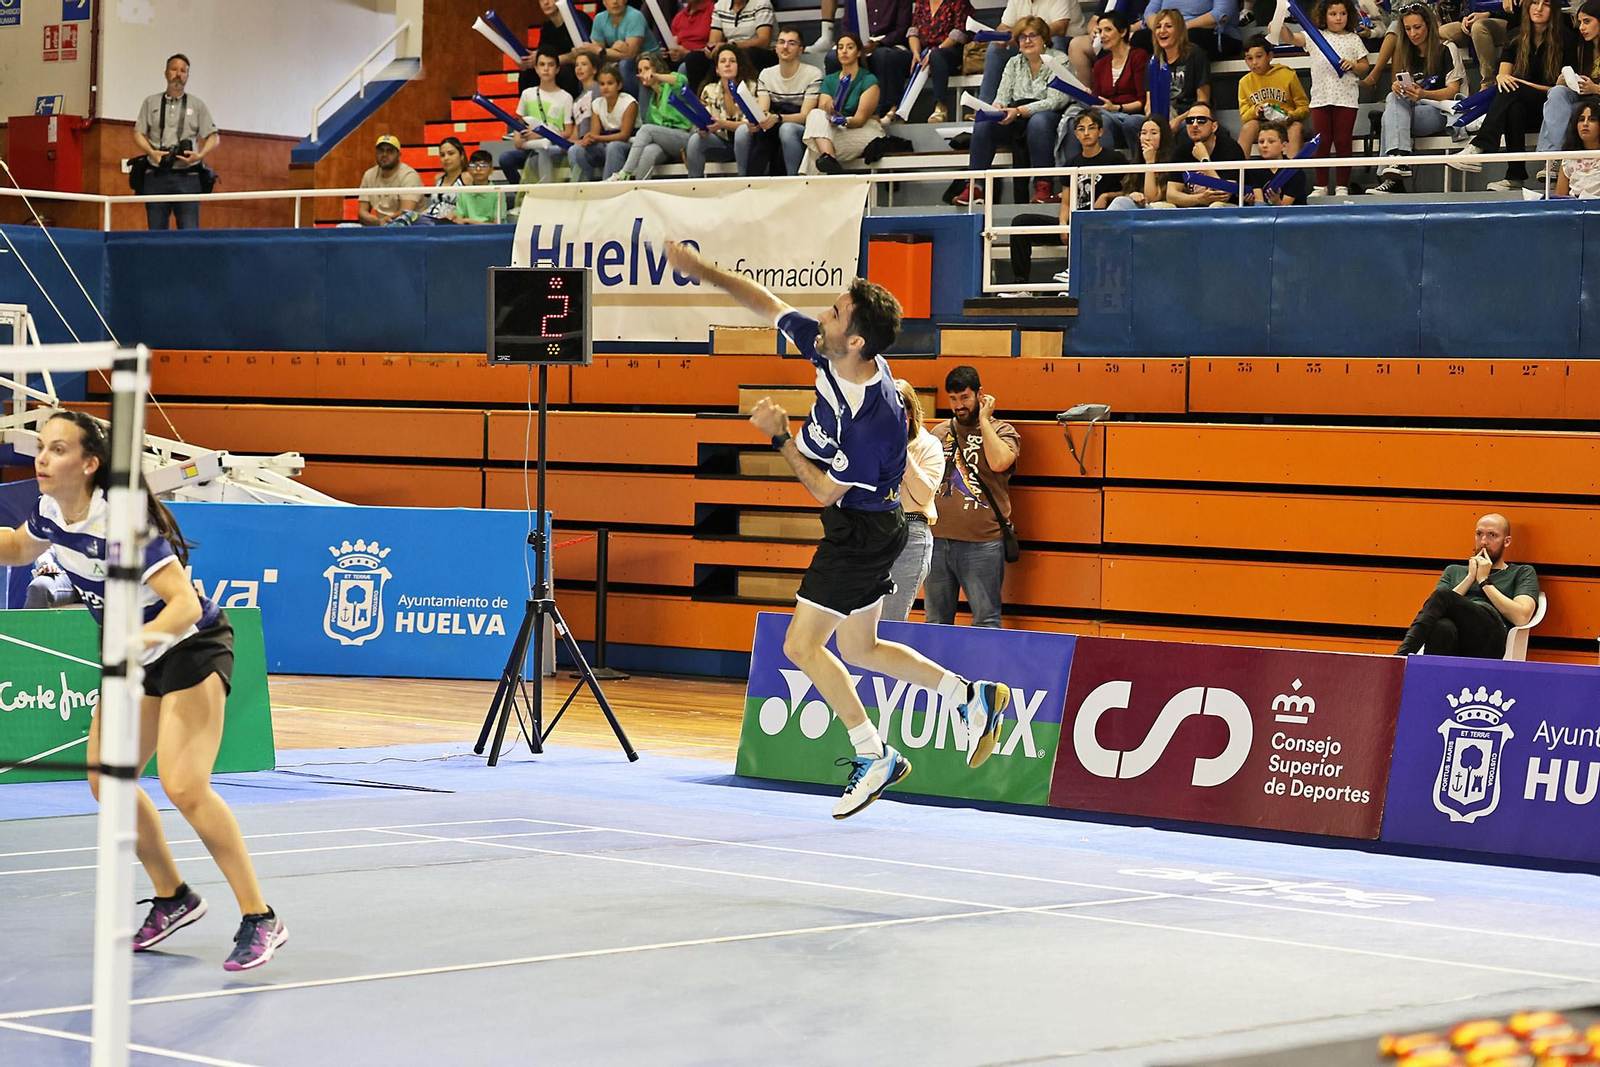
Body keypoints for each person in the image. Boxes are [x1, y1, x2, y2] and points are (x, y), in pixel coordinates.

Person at [662, 241, 1013, 818]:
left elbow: (824, 490)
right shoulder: (834, 352)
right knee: (860, 646)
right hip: (876, 528)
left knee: (802, 645)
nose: (820, 314)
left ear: (855, 339)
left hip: (861, 531)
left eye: (834, 311)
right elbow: (767, 303)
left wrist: (778, 436)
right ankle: (969, 696)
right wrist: (702, 271)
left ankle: (873, 752)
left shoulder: (871, 418)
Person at [0, 411, 285, 970]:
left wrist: (136, 642)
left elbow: (181, 603)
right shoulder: (52, 511)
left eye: (58, 449)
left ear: (89, 463)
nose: (42, 457)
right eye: (41, 447)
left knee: (184, 785)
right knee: (109, 782)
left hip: (187, 645)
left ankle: (261, 916)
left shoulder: (122, 523)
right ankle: (174, 896)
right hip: (129, 656)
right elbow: (14, 549)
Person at [925, 366, 1020, 629]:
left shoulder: (1002, 430)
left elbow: (1000, 462)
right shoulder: (939, 433)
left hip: (981, 543)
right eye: (953, 399)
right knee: (935, 621)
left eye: (965, 397)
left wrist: (985, 421)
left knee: (986, 619)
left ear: (980, 394)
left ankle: (985, 671)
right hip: (937, 541)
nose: (959, 406)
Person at [1449, 0, 1574, 188]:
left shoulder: (1567, 39)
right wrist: (1507, 80)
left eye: (1546, 4)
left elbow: (1561, 90)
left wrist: (1519, 83)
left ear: (1554, 10)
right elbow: (1502, 76)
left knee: (1513, 88)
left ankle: (1480, 146)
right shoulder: (1516, 36)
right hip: (1526, 108)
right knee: (1513, 106)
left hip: (1555, 110)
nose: (1538, 8)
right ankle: (1515, 176)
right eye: (1534, 3)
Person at [954, 17, 1071, 205]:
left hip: (1048, 119)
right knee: (984, 122)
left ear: (1044, 38)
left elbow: (1056, 101)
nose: (1027, 41)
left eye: (1033, 35)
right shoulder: (1014, 63)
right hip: (1015, 119)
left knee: (1038, 122)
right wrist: (997, 108)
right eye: (1022, 37)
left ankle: (1043, 188)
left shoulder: (1059, 59)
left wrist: (1019, 110)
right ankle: (975, 187)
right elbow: (1002, 96)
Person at [1395, 513, 1539, 657]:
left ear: (1506, 541)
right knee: (1442, 627)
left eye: (1492, 536)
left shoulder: (1521, 572)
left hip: (1492, 638)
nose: (1483, 542)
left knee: (1443, 595)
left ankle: (1400, 659)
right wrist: (1470, 577)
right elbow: (1434, 610)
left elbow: (1521, 617)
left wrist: (1484, 581)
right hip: (1456, 637)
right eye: (1479, 534)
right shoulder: (1454, 571)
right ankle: (1433, 677)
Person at [1014, 112, 1125, 287]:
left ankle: (1072, 284)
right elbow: (1066, 201)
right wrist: (1063, 224)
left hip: (1101, 223)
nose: (1086, 133)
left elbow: (1130, 192)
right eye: (1081, 129)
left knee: (1083, 228)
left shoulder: (1115, 159)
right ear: (1075, 134)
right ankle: (1019, 286)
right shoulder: (1072, 163)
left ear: (1101, 132)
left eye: (1091, 128)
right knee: (1021, 223)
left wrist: (1107, 196)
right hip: (1074, 222)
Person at [1369, 4, 1466, 194]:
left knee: (1389, 117)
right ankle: (1399, 163)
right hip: (1414, 109)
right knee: (1393, 98)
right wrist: (1400, 88)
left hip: (1443, 110)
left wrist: (1424, 94)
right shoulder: (1407, 52)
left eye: (1417, 27)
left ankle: (1395, 171)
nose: (1413, 33)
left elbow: (1452, 91)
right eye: (1408, 29)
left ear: (1428, 26)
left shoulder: (1446, 48)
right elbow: (1408, 92)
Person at [1277, 0, 1370, 195]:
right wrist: (1279, 23)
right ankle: (1321, 185)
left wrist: (1352, 64)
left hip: (1346, 99)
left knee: (1344, 141)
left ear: (1349, 15)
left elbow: (1364, 66)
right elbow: (1290, 38)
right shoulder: (1314, 36)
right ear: (1324, 16)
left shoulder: (1353, 39)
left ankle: (1342, 185)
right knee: (1322, 142)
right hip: (1320, 98)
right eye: (1333, 14)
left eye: (1342, 14)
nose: (1338, 18)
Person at [133, 54, 220, 231]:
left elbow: (214, 136)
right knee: (156, 233)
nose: (178, 74)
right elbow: (137, 133)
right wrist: (152, 153)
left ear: (187, 76)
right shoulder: (151, 102)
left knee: (189, 233)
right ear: (166, 73)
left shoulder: (197, 105)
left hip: (188, 176)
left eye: (183, 71)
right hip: (156, 174)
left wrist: (199, 155)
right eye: (174, 69)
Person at [882, 380, 943, 623]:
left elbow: (923, 494)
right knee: (856, 619)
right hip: (871, 531)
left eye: (898, 408)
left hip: (910, 533)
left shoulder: (929, 445)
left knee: (890, 621)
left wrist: (901, 452)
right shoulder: (869, 444)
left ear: (910, 411)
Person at [737, 27, 823, 175]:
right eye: (781, 42)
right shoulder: (766, 74)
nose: (785, 47)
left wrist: (778, 118)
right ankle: (745, 182)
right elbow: (763, 110)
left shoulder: (813, 74)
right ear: (775, 48)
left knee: (787, 129)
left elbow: (805, 116)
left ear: (800, 50)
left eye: (791, 43)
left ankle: (794, 180)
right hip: (773, 123)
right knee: (742, 131)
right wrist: (758, 121)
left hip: (799, 128)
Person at [800, 34, 886, 174]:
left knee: (815, 148)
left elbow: (859, 120)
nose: (844, 51)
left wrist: (843, 121)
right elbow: (823, 108)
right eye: (840, 48)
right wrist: (830, 107)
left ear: (858, 52)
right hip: (836, 130)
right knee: (815, 114)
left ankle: (825, 166)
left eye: (850, 47)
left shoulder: (869, 80)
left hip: (864, 129)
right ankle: (830, 160)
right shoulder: (830, 79)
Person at [822, 0, 917, 116]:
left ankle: (882, 110)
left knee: (882, 56)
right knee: (832, 57)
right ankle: (836, 107)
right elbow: (846, 26)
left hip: (889, 43)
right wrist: (855, 44)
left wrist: (880, 43)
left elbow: (902, 29)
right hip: (858, 43)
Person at [610, 52, 695, 181]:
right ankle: (640, 189)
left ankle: (624, 173)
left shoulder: (670, 87)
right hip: (666, 142)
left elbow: (681, 80)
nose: (643, 73)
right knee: (649, 151)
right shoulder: (652, 102)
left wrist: (656, 76)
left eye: (647, 68)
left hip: (685, 137)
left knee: (646, 129)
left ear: (656, 68)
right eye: (640, 70)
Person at [500, 52, 578, 189]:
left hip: (552, 146)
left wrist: (543, 134)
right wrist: (518, 136)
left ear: (558, 69)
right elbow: (520, 121)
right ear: (536, 68)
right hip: (530, 146)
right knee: (506, 159)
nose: (546, 69)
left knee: (542, 154)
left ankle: (545, 194)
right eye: (542, 65)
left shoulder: (565, 97)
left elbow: (568, 131)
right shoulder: (527, 94)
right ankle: (523, 193)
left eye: (551, 65)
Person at [977, 0, 1075, 106]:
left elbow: (1060, 27)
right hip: (1025, 41)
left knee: (1056, 41)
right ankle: (986, 106)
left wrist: (1036, 34)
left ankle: (1053, 100)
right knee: (994, 49)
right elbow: (1003, 26)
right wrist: (1006, 36)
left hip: (1062, 41)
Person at [901, 0, 975, 123]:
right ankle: (893, 112)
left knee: (937, 55)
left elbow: (959, 33)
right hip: (925, 51)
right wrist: (916, 53)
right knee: (894, 58)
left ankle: (940, 107)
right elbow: (913, 31)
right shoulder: (922, 3)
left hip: (951, 50)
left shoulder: (958, 2)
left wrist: (935, 51)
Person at [1236, 33, 1310, 155]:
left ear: (1269, 56)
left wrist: (1290, 116)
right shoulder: (1244, 82)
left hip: (1288, 123)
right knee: (1248, 128)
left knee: (1296, 129)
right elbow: (1244, 116)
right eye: (1249, 58)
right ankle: (1238, 171)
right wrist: (1255, 110)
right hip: (1263, 124)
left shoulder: (1288, 75)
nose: (1254, 62)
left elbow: (1304, 108)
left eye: (1259, 56)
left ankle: (1291, 172)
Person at [1088, 12, 1153, 151]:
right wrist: (1088, 96)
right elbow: (1098, 100)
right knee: (1086, 121)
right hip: (1108, 116)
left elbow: (1142, 101)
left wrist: (1116, 107)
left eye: (1108, 30)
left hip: (1132, 115)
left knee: (1125, 122)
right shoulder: (1100, 64)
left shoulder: (1139, 57)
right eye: (1100, 31)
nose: (1102, 35)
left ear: (1123, 32)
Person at [688, 45, 757, 175]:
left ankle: (744, 181)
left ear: (738, 66)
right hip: (721, 143)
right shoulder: (709, 90)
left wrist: (724, 124)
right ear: (717, 70)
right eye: (723, 61)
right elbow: (707, 120)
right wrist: (703, 129)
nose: (727, 65)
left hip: (749, 144)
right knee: (695, 139)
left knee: (742, 131)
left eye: (732, 61)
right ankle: (694, 187)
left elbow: (752, 124)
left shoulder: (751, 88)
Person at [1167, 100, 1248, 206]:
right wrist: (1199, 199)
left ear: (1214, 126)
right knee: (1160, 206)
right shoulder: (1181, 150)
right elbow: (1171, 195)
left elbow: (1224, 193)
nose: (1194, 124)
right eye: (1190, 121)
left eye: (1201, 120)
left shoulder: (1231, 148)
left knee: (1216, 205)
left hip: (1228, 208)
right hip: (1194, 206)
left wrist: (1204, 160)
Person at [1146, 9, 1211, 134]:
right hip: (1162, 113)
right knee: (1132, 124)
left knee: (1184, 129)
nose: (1162, 31)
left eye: (1168, 26)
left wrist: (1179, 120)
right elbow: (1149, 103)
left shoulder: (1195, 54)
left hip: (1189, 112)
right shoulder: (1153, 61)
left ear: (1180, 30)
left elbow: (1203, 100)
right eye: (1158, 27)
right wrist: (1152, 122)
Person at [580, 0, 660, 99]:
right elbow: (597, 55)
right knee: (587, 66)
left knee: (625, 65)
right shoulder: (599, 18)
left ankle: (632, 104)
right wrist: (603, 52)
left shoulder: (635, 16)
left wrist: (602, 51)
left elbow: (631, 54)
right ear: (604, 2)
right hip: (619, 61)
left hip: (650, 61)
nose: (615, 2)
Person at [570, 64, 638, 179]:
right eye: (602, 84)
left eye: (610, 83)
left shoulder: (629, 103)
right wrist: (588, 139)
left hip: (630, 145)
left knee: (614, 147)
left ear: (619, 85)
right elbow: (594, 135)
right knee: (576, 150)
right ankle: (582, 188)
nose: (605, 87)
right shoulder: (597, 103)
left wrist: (597, 138)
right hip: (606, 144)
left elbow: (624, 136)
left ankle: (609, 187)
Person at [1440, 0, 1519, 91]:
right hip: (1473, 20)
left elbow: (1511, 8)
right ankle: (1457, 82)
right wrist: (1465, 18)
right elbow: (1466, 5)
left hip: (1504, 21)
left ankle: (1488, 83)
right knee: (1442, 31)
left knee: (1478, 27)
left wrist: (1488, 14)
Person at [1108, 114, 1179, 206]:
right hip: (1142, 210)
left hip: (1163, 211)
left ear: (1164, 136)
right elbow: (1128, 191)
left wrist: (1150, 162)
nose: (1147, 138)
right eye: (1144, 133)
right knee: (1121, 201)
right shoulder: (1137, 162)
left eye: (1154, 133)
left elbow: (1152, 198)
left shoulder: (1174, 160)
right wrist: (1132, 195)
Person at [1135, 0, 1242, 60]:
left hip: (1213, 34)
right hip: (1172, 30)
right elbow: (1149, 13)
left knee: (1191, 37)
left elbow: (1221, 14)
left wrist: (1180, 28)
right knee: (1140, 38)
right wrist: (1162, 29)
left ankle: (1189, 93)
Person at [528, 0, 592, 98]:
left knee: (566, 72)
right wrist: (532, 58)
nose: (545, 3)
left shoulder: (579, 19)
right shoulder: (547, 26)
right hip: (556, 66)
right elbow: (544, 51)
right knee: (527, 73)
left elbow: (582, 53)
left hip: (577, 67)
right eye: (542, 0)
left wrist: (554, 61)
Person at [357, 134, 423, 226]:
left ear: (399, 155)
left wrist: (385, 222)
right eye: (381, 151)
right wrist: (379, 221)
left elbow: (406, 214)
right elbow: (362, 213)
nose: (384, 154)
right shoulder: (369, 175)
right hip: (379, 225)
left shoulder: (409, 176)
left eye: (390, 151)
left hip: (408, 229)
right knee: (343, 227)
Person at [705, 0, 779, 75]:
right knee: (697, 57)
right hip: (731, 51)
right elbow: (714, 40)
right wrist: (711, 48)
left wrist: (732, 46)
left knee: (751, 53)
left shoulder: (762, 3)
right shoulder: (720, 5)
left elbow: (764, 42)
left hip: (761, 54)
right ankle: (709, 86)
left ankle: (751, 85)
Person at [1245, 121, 1312, 201]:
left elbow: (1285, 209)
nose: (1264, 145)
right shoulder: (1253, 169)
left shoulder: (1294, 171)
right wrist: (1251, 203)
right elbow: (1259, 203)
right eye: (1261, 142)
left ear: (1284, 146)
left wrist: (1276, 201)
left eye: (1271, 141)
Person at [1557, 100, 1600, 195]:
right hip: (1574, 208)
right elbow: (1560, 200)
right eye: (1581, 119)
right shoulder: (1568, 158)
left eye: (1592, 119)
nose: (1585, 124)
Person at [450, 150, 503, 223]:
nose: (478, 169)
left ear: (491, 170)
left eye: (483, 166)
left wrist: (470, 221)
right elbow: (459, 220)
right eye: (473, 165)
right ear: (468, 169)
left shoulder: (498, 193)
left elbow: (497, 225)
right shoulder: (464, 192)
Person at [425, 136, 470, 221]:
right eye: (442, 155)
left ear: (462, 156)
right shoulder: (438, 178)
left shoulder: (467, 177)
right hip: (432, 221)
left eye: (451, 153)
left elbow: (473, 207)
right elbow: (434, 206)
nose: (446, 158)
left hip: (455, 224)